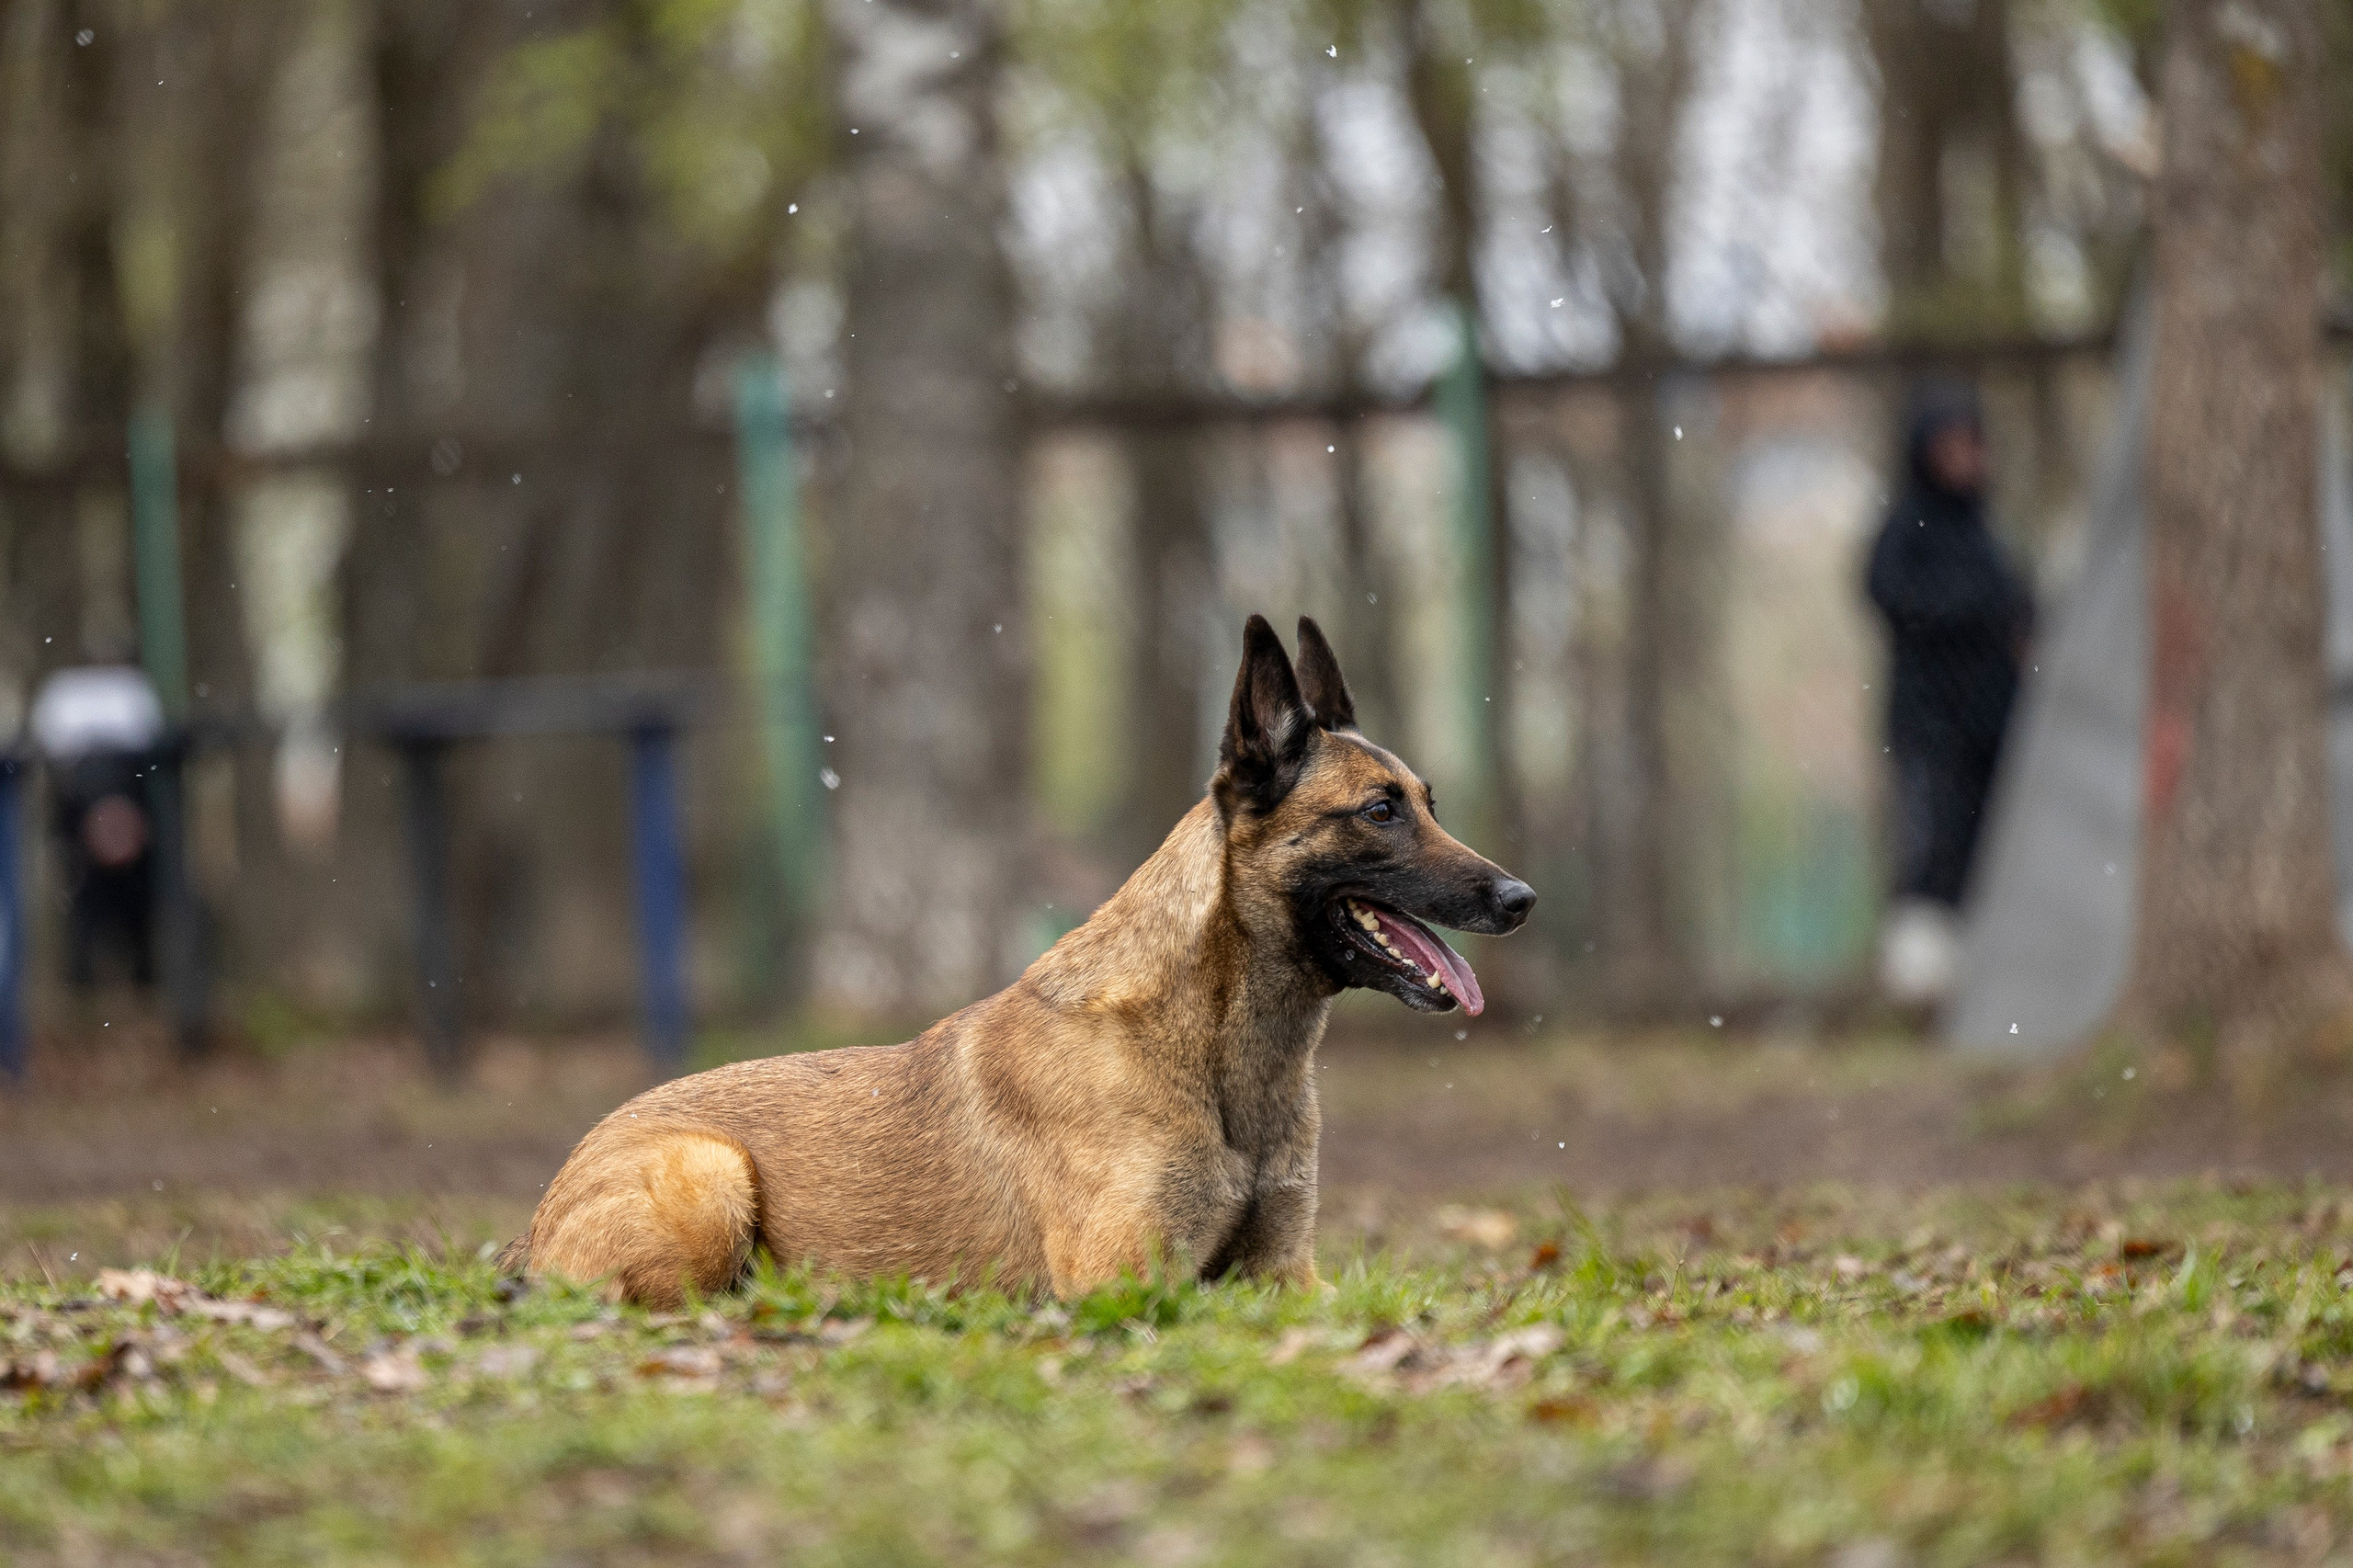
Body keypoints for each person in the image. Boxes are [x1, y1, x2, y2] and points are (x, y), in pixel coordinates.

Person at [1865, 382, 2033, 1008]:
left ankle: (1984, 975)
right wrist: (1972, 613)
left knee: (1986, 843)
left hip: (1996, 723)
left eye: (1972, 444)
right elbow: (1889, 597)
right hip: (1930, 722)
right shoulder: (1905, 529)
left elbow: (2021, 607)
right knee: (1931, 842)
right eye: (1950, 445)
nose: (1964, 458)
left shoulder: (1988, 532)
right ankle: (1920, 984)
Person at [29, 665, 165, 990]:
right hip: (82, 829)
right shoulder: (66, 697)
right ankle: (83, 983)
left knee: (139, 908)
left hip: (121, 825)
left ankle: (141, 977)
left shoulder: (133, 694)